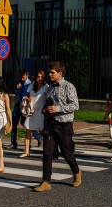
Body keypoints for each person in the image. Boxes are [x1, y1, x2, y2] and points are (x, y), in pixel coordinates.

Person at [33, 61, 82, 192]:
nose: (49, 74)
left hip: (64, 124)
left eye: (52, 72)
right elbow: (49, 103)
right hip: (51, 124)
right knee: (47, 152)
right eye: (49, 72)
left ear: (60, 73)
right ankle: (46, 181)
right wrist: (46, 109)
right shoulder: (50, 87)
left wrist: (57, 108)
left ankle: (76, 172)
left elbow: (75, 105)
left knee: (66, 152)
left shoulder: (69, 86)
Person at [20, 70, 49, 158]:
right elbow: (28, 96)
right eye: (38, 76)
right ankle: (26, 151)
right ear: (35, 77)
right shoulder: (31, 86)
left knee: (43, 132)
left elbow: (49, 99)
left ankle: (46, 152)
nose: (39, 78)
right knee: (28, 130)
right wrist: (28, 99)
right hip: (32, 111)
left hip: (41, 112)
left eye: (41, 77)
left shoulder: (46, 87)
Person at [10, 70, 36, 149]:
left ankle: (37, 137)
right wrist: (18, 88)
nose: (22, 78)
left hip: (25, 106)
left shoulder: (30, 84)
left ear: (27, 76)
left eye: (23, 77)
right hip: (18, 104)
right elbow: (16, 93)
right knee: (14, 123)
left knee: (25, 123)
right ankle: (13, 142)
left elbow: (31, 94)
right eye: (21, 77)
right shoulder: (20, 83)